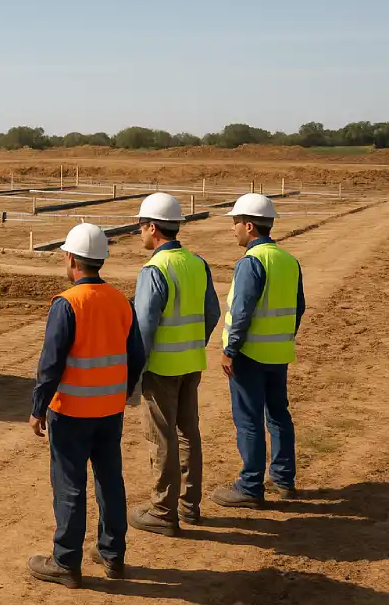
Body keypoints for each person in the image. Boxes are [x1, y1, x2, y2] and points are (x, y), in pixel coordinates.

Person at [28, 223, 146, 588]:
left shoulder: (68, 304)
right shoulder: (121, 301)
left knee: (69, 486)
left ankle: (66, 563)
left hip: (71, 412)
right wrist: (122, 392)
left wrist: (38, 407)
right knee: (110, 480)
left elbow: (51, 363)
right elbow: (136, 355)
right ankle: (113, 556)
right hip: (109, 411)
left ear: (71, 259)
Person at [129, 193, 221, 536]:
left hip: (161, 368)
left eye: (141, 226)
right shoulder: (197, 263)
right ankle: (189, 505)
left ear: (153, 227)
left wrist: (134, 373)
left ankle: (163, 510)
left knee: (161, 437)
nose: (140, 233)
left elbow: (144, 327)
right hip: (191, 362)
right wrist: (195, 344)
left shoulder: (155, 269)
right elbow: (212, 313)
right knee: (188, 434)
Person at [211, 193, 306, 508]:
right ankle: (283, 477)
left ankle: (250, 486)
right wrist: (282, 337)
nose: (234, 229)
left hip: (249, 356)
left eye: (236, 223)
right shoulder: (288, 260)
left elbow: (242, 311)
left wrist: (230, 349)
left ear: (249, 226)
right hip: (278, 354)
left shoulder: (252, 263)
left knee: (249, 419)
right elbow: (298, 307)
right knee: (278, 415)